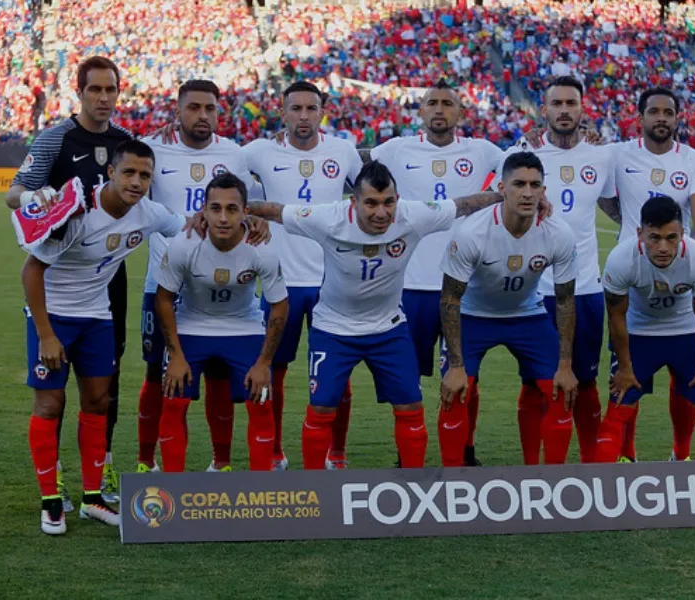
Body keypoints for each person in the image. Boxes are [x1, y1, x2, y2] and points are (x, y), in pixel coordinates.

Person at [246, 161, 504, 470]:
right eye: (370, 203)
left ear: (398, 199)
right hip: (333, 329)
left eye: (388, 202)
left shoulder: (414, 215)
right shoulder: (327, 218)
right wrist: (231, 213)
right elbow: (274, 209)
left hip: (389, 329)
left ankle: (413, 486)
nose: (381, 213)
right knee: (321, 410)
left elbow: (464, 205)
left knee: (410, 406)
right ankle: (314, 489)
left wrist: (511, 198)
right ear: (353, 202)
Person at [21, 140, 185, 535]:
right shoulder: (77, 213)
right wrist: (45, 334)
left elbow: (189, 225)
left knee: (98, 401)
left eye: (145, 175)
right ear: (110, 172)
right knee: (50, 404)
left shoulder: (149, 214)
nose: (137, 181)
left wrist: (249, 224)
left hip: (97, 317)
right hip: (53, 316)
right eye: (128, 172)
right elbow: (31, 270)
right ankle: (51, 502)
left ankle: (92, 498)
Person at [6, 56, 133, 508]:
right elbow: (13, 193)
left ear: (119, 93)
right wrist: (38, 195)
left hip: (107, 280)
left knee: (105, 379)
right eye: (95, 90)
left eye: (110, 90)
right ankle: (54, 470)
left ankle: (102, 463)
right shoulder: (55, 138)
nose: (103, 98)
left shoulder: (125, 144)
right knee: (54, 388)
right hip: (57, 280)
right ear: (79, 91)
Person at [370, 79, 502, 467]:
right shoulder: (395, 149)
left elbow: (526, 162)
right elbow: (349, 165)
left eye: (448, 103)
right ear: (421, 111)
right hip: (409, 283)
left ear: (461, 112)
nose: (440, 109)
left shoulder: (481, 150)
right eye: (433, 102)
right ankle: (406, 454)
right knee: (406, 377)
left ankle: (465, 450)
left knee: (465, 376)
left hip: (464, 285)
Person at [139, 79, 264, 475]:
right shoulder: (153, 149)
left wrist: (257, 221)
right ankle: (146, 462)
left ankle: (220, 463)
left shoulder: (236, 154)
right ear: (177, 111)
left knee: (218, 376)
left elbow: (254, 201)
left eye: (209, 108)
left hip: (219, 285)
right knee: (157, 377)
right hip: (162, 284)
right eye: (193, 108)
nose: (202, 116)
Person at [241, 80, 363, 470]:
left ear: (322, 111)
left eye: (311, 109)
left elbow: (370, 191)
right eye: (296, 109)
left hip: (333, 282)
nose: (304, 116)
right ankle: (275, 452)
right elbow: (218, 167)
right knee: (272, 370)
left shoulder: (342, 151)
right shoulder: (260, 152)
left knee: (337, 372)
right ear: (283, 112)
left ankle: (337, 453)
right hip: (281, 282)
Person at [494, 76, 616, 463]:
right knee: (534, 384)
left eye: (571, 103)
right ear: (542, 109)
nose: (564, 110)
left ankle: (591, 468)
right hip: (535, 291)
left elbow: (615, 208)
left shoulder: (602, 155)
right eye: (557, 103)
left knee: (587, 381)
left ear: (582, 109)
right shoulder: (522, 153)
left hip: (585, 288)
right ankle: (535, 469)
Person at [597, 195, 695, 518]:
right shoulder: (621, 259)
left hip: (686, 334)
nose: (663, 247)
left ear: (682, 234)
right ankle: (602, 490)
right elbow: (616, 319)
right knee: (619, 404)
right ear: (640, 234)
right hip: (638, 335)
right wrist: (625, 368)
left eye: (671, 238)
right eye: (655, 238)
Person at [438, 152, 578, 466]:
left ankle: (550, 480)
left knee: (560, 390)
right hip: (472, 316)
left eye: (535, 185)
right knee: (455, 391)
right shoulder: (471, 233)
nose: (527, 192)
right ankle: (452, 480)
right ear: (501, 187)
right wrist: (456, 366)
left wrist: (566, 364)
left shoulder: (559, 234)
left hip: (527, 315)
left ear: (544, 191)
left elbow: (566, 300)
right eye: (519, 184)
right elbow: (450, 300)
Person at [155, 173, 289, 473]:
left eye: (232, 209)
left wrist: (264, 363)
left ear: (245, 212)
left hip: (244, 327)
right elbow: (163, 299)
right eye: (215, 208)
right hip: (191, 326)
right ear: (203, 210)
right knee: (174, 400)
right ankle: (173, 489)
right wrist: (175, 356)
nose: (224, 217)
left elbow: (279, 304)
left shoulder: (262, 248)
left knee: (262, 400)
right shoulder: (183, 244)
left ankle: (259, 490)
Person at [610, 88, 695, 463]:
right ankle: (626, 457)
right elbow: (605, 196)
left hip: (680, 276)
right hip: (631, 274)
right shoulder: (619, 154)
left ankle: (681, 456)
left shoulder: (693, 160)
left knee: (686, 374)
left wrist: (683, 254)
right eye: (653, 111)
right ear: (640, 117)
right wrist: (636, 238)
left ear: (676, 118)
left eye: (668, 112)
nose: (661, 118)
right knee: (627, 374)